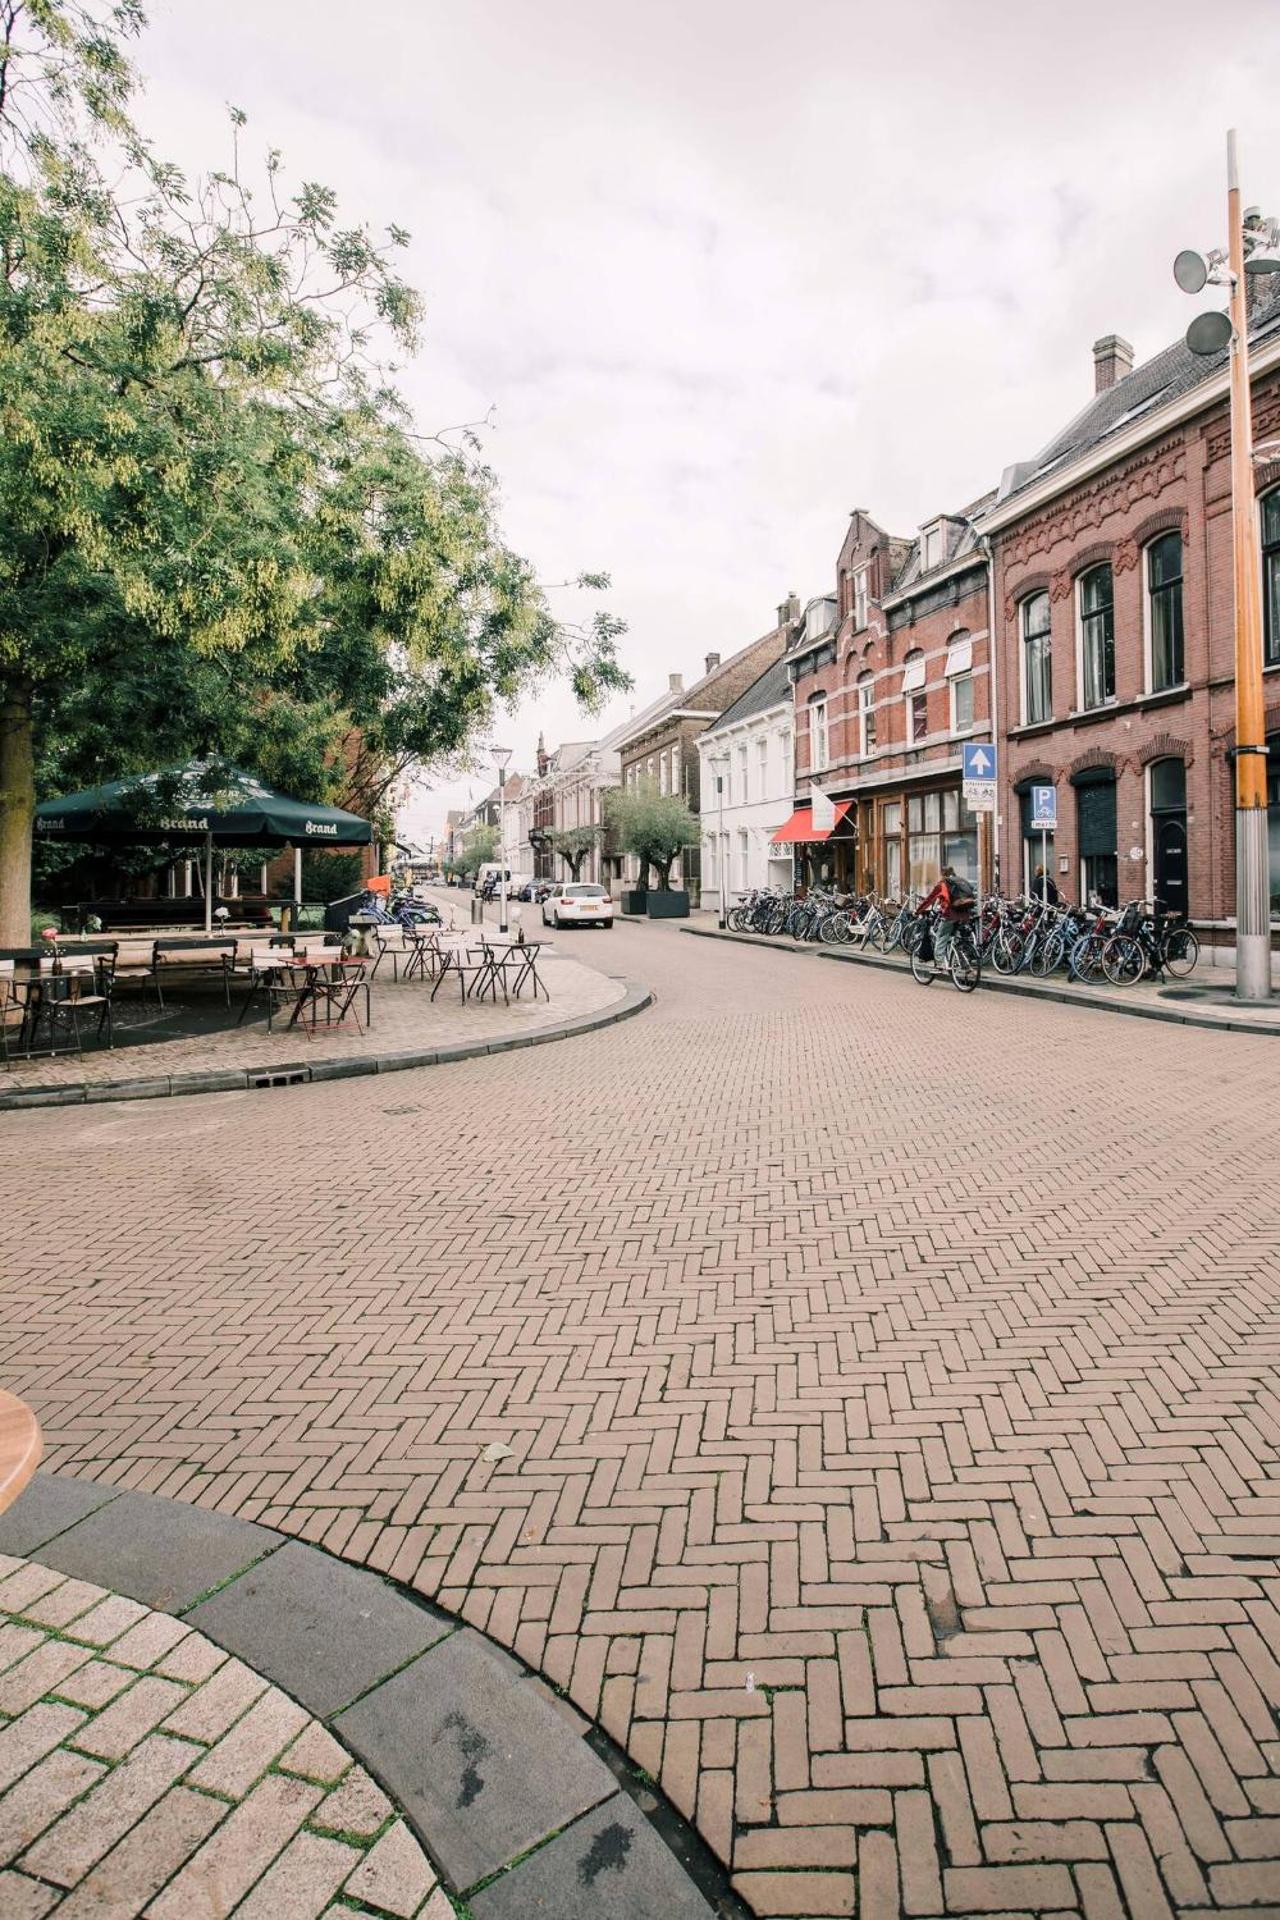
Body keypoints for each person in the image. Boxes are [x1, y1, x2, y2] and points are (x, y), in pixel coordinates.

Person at [916, 863, 975, 967]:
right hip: (965, 915)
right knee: (955, 940)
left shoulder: (943, 884)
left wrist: (918, 911)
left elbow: (929, 899)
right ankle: (965, 964)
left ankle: (939, 964)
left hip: (950, 915)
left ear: (943, 873)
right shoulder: (961, 881)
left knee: (941, 936)